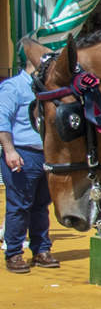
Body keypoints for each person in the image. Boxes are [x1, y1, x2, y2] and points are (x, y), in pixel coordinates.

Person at [2, 49, 57, 273]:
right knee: (19, 206)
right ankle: (14, 252)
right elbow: (1, 119)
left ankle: (41, 250)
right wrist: (10, 150)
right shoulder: (13, 87)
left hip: (46, 153)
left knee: (41, 206)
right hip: (23, 153)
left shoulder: (46, 88)